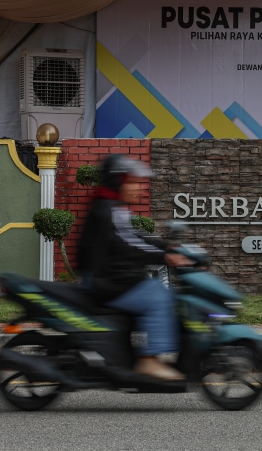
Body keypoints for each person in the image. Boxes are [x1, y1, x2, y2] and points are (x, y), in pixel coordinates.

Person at [77, 155, 190, 381]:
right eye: (131, 181)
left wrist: (165, 245)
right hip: (107, 280)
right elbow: (127, 244)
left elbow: (134, 237)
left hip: (110, 276)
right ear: (118, 181)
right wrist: (165, 256)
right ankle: (148, 360)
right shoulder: (108, 208)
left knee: (153, 289)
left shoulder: (110, 205)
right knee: (158, 296)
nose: (137, 187)